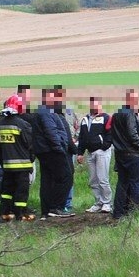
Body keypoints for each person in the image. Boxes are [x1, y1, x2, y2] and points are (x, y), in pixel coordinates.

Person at [31, 87, 75, 216]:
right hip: (52, 151)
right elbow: (51, 132)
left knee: (48, 180)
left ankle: (47, 210)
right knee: (65, 177)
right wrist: (59, 148)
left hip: (44, 150)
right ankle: (56, 207)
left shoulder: (45, 111)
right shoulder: (46, 112)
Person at [0, 94, 37, 221]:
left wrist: (0, 159)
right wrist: (31, 158)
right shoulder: (22, 124)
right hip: (22, 165)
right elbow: (31, 145)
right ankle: (21, 214)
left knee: (7, 191)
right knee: (21, 191)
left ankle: (4, 212)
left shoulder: (0, 123)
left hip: (7, 165)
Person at [109, 88, 139, 220]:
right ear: (130, 100)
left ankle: (118, 212)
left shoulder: (116, 114)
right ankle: (135, 213)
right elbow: (132, 134)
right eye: (135, 99)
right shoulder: (129, 114)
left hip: (120, 154)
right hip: (133, 154)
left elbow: (112, 133)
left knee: (122, 184)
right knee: (136, 184)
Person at [76, 96, 114, 213]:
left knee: (103, 178)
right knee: (93, 180)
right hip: (90, 153)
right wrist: (80, 153)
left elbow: (110, 134)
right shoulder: (85, 120)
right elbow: (82, 137)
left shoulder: (106, 118)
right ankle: (98, 202)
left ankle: (107, 202)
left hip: (102, 152)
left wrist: (104, 146)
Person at [51, 84, 79, 212]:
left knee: (69, 174)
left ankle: (68, 203)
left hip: (69, 148)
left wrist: (75, 138)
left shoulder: (69, 110)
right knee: (58, 176)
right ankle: (57, 203)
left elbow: (77, 126)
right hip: (57, 148)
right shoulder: (50, 111)